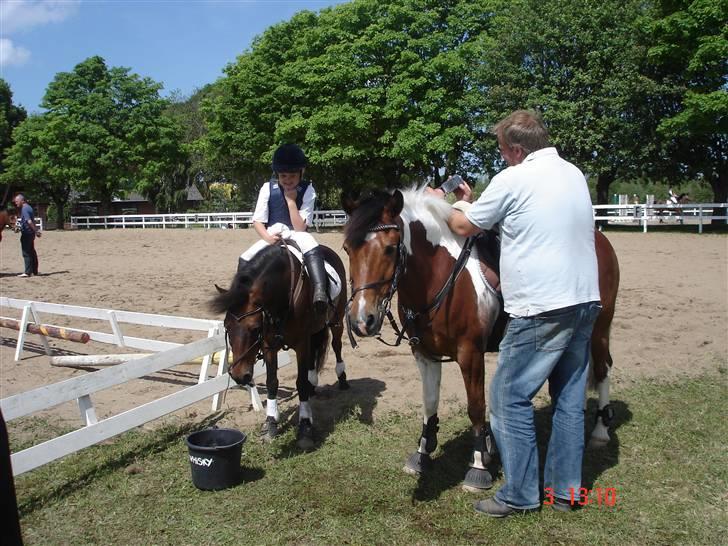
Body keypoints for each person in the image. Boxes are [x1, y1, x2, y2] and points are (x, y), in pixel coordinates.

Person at [435, 110, 601, 517]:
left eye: (503, 152)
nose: (503, 158)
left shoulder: (513, 177)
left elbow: (462, 227)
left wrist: (446, 203)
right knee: (568, 399)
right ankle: (566, 492)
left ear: (515, 149)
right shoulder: (573, 173)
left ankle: (521, 494)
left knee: (508, 397)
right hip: (584, 300)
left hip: (540, 305)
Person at [239, 143, 328, 316]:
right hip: (272, 233)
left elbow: (300, 227)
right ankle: (240, 294)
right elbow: (257, 220)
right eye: (283, 175)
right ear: (277, 174)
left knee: (310, 243)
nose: (288, 180)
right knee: (245, 257)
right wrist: (266, 237)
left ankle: (319, 291)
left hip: (296, 234)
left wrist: (291, 201)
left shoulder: (308, 190)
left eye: (293, 176)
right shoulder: (267, 188)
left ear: (301, 173)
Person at [13, 193, 41, 277]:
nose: (16, 203)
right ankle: (34, 271)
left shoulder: (24, 209)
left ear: (22, 200)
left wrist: (36, 231)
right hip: (30, 233)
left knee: (26, 252)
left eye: (17, 201)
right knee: (32, 251)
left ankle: (27, 272)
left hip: (27, 233)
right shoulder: (29, 207)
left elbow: (29, 221)